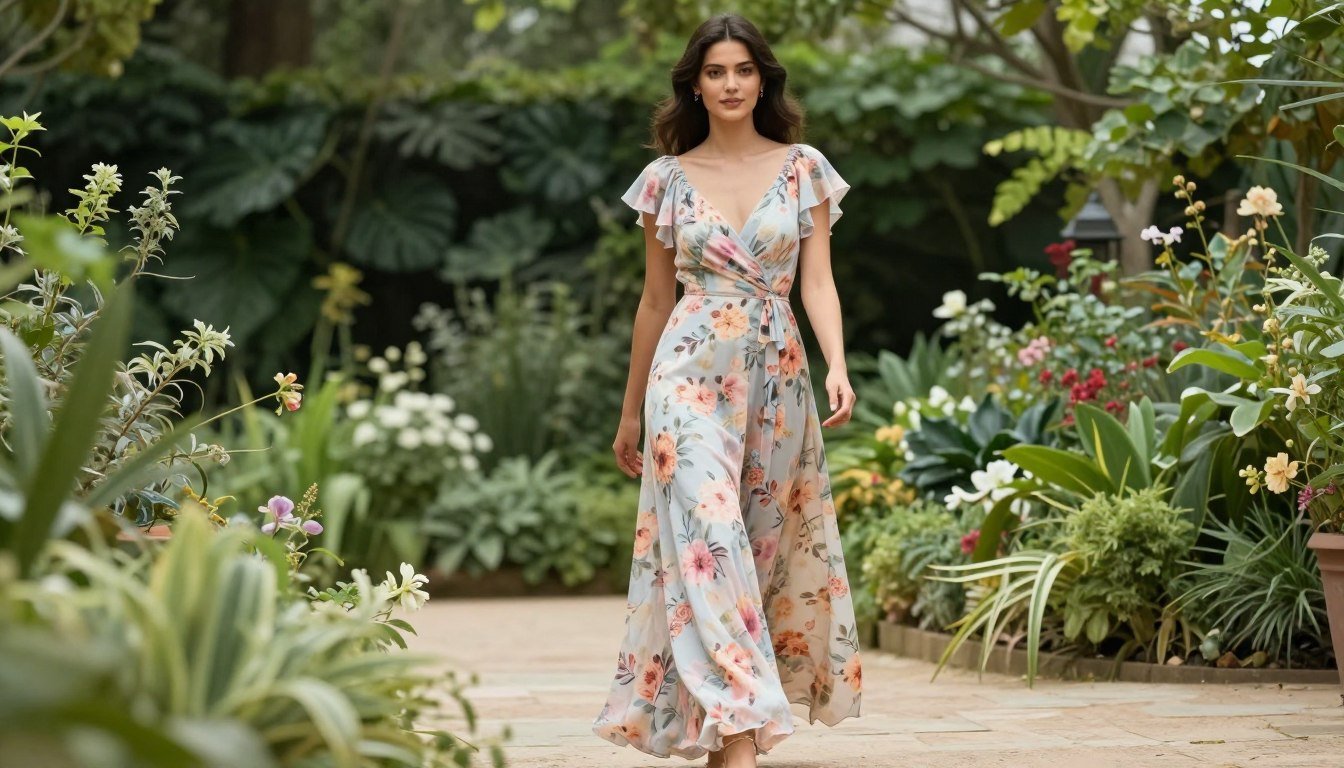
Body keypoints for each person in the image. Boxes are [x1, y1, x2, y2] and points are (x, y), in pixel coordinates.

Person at [592, 12, 862, 768]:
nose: (732, 83)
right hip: (687, 376)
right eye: (716, 72)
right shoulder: (666, 181)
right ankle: (741, 734)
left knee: (757, 548)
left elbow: (818, 281)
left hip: (778, 377)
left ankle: (720, 730)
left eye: (744, 70)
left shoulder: (803, 166)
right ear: (695, 85)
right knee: (710, 538)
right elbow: (652, 302)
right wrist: (630, 413)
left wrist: (836, 363)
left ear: (763, 79)